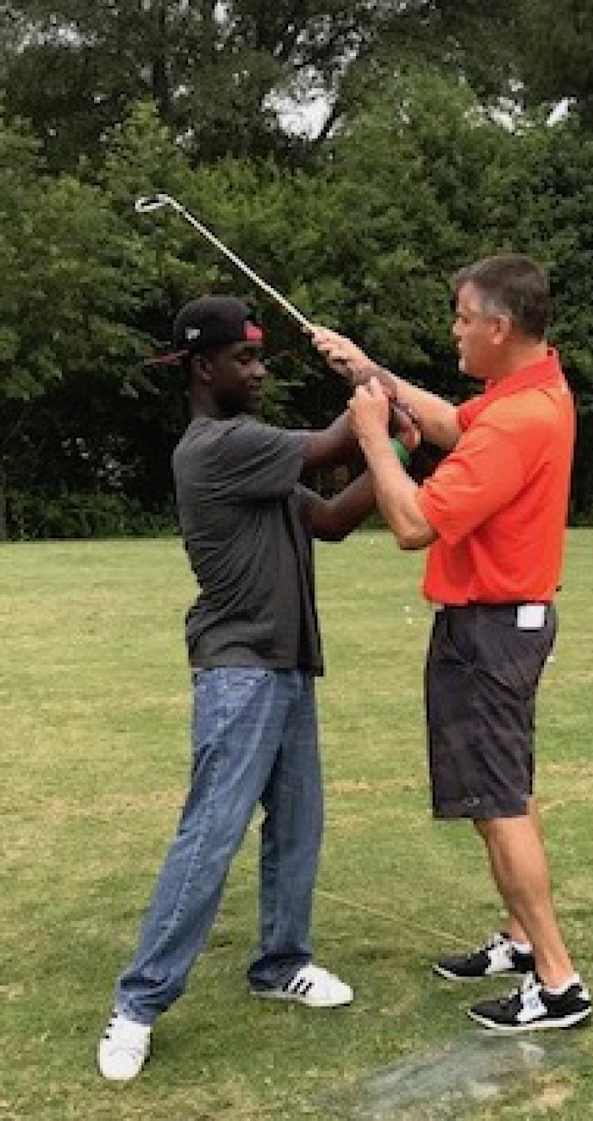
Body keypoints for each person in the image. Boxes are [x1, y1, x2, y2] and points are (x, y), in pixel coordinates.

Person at [97, 295, 416, 1081]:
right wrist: (373, 384)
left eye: (262, 357)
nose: (261, 371)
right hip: (238, 669)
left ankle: (280, 963)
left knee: (298, 824)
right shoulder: (218, 447)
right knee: (210, 834)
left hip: (287, 663)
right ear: (204, 368)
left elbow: (335, 518)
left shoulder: (259, 459)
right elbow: (341, 438)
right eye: (245, 360)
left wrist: (393, 455)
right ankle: (137, 1003)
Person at [312, 254, 592, 1032]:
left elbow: (411, 523)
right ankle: (520, 938)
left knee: (500, 804)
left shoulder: (517, 421)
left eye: (463, 318)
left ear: (499, 327)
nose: (455, 330)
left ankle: (558, 979)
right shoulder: (529, 391)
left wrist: (371, 432)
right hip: (503, 626)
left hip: (490, 632)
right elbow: (449, 420)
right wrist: (373, 372)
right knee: (502, 795)